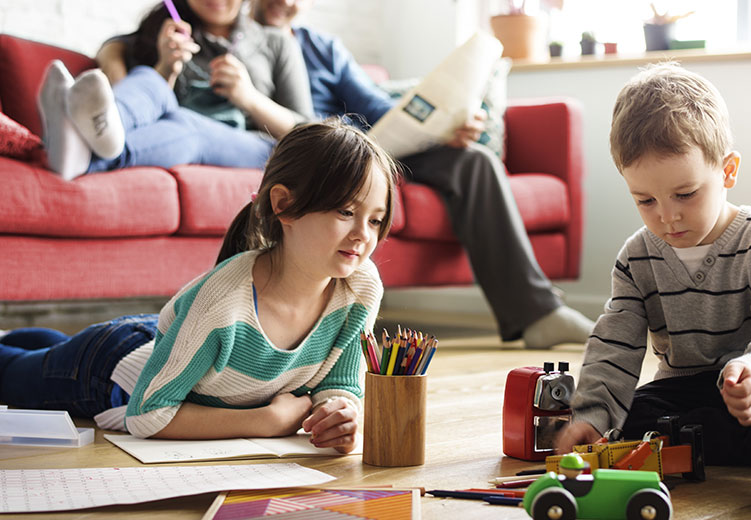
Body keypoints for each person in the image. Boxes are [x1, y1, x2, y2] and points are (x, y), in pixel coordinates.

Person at [554, 62, 751, 511]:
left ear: (728, 170)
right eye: (645, 201)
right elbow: (615, 342)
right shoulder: (637, 258)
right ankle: (736, 448)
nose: (667, 216)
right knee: (633, 410)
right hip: (692, 395)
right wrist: (592, 417)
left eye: (685, 194)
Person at [0, 120, 400, 453]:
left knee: (47, 347)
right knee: (12, 371)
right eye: (347, 212)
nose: (363, 235)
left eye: (376, 220)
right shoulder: (222, 302)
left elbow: (339, 382)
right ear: (284, 206)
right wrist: (265, 420)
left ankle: (34, 340)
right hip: (106, 371)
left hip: (168, 343)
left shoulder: (359, 289)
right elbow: (147, 414)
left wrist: (340, 410)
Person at [247, 0, 595, 349]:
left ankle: (538, 313)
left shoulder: (322, 48)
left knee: (474, 161)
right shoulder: (244, 47)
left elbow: (376, 106)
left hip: (374, 149)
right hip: (320, 159)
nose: (284, 2)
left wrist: (442, 128)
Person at [40, 0, 313, 181]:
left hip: (256, 145)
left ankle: (83, 155)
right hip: (173, 129)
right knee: (150, 78)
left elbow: (308, 132)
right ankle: (92, 126)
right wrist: (166, 67)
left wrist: (249, 97)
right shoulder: (166, 32)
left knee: (186, 124)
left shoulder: (275, 42)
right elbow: (117, 45)